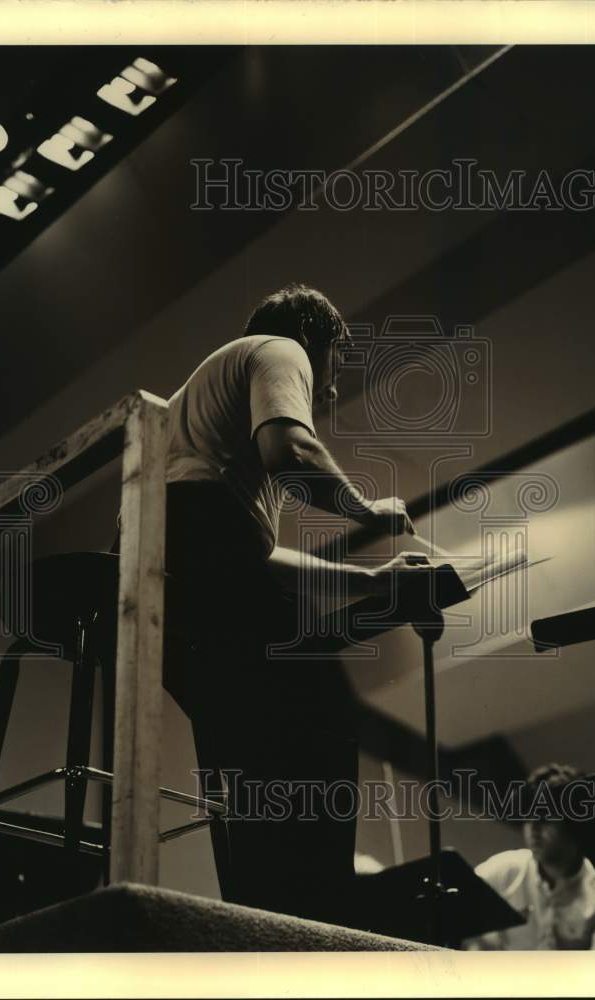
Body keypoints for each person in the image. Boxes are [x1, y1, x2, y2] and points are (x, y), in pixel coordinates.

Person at [152, 283, 430, 924]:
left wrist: (373, 583)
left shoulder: (203, 431)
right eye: (332, 371)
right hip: (194, 554)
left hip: (163, 574)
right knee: (321, 715)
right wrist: (369, 510)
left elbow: (249, 558)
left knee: (246, 747)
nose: (328, 391)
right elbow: (293, 453)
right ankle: (316, 918)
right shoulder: (281, 348)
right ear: (317, 341)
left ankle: (259, 916)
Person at [465, 763, 595, 950]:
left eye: (544, 817)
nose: (533, 828)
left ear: (576, 823)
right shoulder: (501, 871)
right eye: (527, 816)